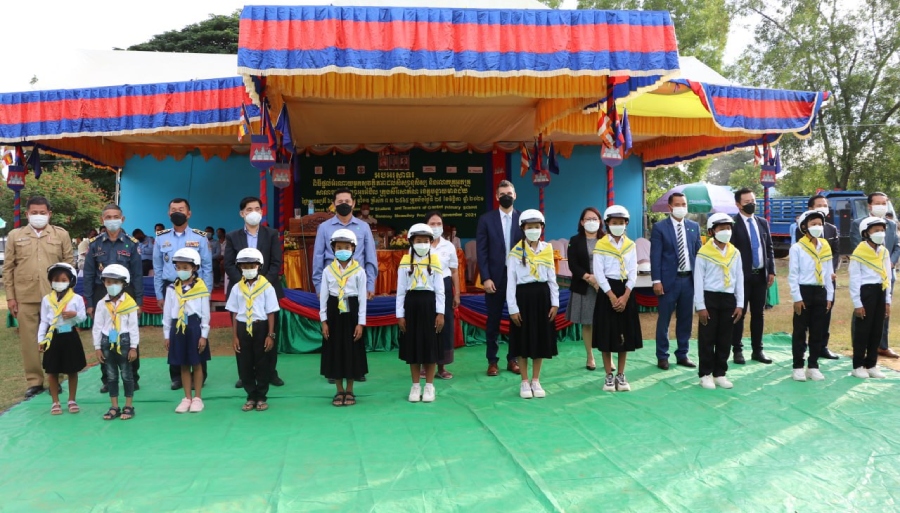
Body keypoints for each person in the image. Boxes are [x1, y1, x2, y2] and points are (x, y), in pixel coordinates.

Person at [3, 196, 74, 399]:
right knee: (29, 340)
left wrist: (67, 295)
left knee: (56, 338)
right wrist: (10, 298)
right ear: (27, 214)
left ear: (49, 214)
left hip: (54, 297)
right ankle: (34, 381)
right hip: (25, 296)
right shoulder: (16, 235)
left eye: (42, 212)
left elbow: (69, 266)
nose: (38, 216)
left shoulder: (61, 234)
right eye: (34, 212)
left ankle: (55, 378)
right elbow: (8, 269)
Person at [225, 197, 285, 388]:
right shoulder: (233, 236)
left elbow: (276, 262)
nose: (253, 212)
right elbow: (228, 264)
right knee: (243, 336)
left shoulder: (272, 234)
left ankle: (270, 372)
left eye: (257, 208)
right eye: (249, 209)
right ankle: (245, 375)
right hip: (240, 292)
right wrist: (243, 285)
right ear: (242, 213)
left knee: (269, 333)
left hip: (268, 290)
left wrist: (261, 285)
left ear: (262, 212)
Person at [83, 203, 143, 393]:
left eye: (115, 216)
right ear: (102, 220)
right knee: (105, 336)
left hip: (127, 294)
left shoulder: (131, 244)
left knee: (127, 333)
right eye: (108, 217)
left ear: (122, 219)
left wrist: (139, 302)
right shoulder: (95, 244)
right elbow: (89, 275)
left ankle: (132, 376)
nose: (112, 220)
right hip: (103, 294)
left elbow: (138, 275)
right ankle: (108, 378)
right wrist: (90, 303)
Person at [153, 198, 212, 390]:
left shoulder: (200, 237)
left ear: (189, 213)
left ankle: (199, 372)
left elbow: (207, 267)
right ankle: (177, 375)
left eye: (181, 209)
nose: (177, 212)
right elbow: (158, 268)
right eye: (173, 209)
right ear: (168, 214)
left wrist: (206, 293)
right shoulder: (160, 238)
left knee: (195, 327)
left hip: (196, 288)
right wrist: (159, 295)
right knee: (174, 330)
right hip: (171, 288)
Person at [508, 210, 559, 399]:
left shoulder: (547, 249)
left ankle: (536, 380)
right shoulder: (516, 252)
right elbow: (511, 281)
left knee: (539, 339)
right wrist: (513, 308)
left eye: (536, 227)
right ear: (523, 228)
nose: (533, 230)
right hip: (523, 297)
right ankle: (524, 380)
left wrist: (554, 303)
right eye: (529, 227)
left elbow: (552, 278)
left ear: (542, 228)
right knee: (523, 339)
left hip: (542, 297)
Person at [475, 180, 523, 376]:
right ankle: (492, 361)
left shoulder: (523, 219)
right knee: (493, 321)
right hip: (494, 279)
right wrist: (485, 278)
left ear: (515, 195)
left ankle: (513, 359)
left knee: (517, 320)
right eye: (502, 193)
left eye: (509, 193)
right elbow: (482, 251)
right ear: (496, 197)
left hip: (518, 278)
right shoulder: (486, 220)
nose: (506, 196)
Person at [592, 205, 642, 392]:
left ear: (626, 224)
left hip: (626, 291)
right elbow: (599, 273)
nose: (618, 226)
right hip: (608, 293)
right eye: (614, 223)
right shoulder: (601, 245)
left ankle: (621, 374)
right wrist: (612, 297)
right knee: (607, 334)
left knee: (625, 334)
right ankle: (608, 375)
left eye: (621, 223)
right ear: (607, 224)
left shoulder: (631, 245)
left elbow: (633, 272)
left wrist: (626, 295)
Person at [650, 192, 701, 370]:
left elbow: (698, 254)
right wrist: (656, 280)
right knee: (664, 319)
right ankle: (662, 356)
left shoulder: (694, 226)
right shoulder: (660, 227)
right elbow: (655, 256)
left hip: (689, 280)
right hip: (667, 281)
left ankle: (682, 354)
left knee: (685, 319)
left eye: (684, 204)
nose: (681, 207)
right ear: (670, 207)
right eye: (678, 204)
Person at [694, 214, 744, 390]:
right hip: (710, 298)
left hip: (729, 298)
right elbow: (699, 280)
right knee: (707, 337)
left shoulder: (734, 252)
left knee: (725, 337)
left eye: (728, 228)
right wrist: (700, 306)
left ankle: (720, 373)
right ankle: (705, 374)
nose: (726, 231)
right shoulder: (704, 253)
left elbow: (739, 277)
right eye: (721, 228)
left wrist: (740, 303)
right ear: (711, 231)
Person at [396, 224, 446, 403]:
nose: (422, 244)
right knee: (414, 347)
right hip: (411, 306)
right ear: (411, 241)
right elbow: (401, 291)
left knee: (429, 346)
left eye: (426, 241)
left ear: (431, 242)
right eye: (418, 241)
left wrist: (440, 313)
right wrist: (400, 315)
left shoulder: (436, 261)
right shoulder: (404, 261)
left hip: (429, 305)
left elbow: (440, 290)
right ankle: (415, 385)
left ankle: (430, 386)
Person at [227, 248, 280, 412]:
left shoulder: (267, 287)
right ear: (240, 268)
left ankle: (262, 396)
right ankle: (250, 395)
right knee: (245, 363)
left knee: (262, 362)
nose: (248, 269)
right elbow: (235, 312)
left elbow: (271, 312)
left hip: (261, 326)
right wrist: (235, 336)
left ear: (259, 266)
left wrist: (270, 335)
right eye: (244, 266)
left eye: (252, 265)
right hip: (243, 327)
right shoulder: (236, 288)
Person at [319, 229, 368, 406]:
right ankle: (339, 390)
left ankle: (350, 390)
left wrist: (361, 323)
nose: (342, 250)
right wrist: (324, 321)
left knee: (351, 351)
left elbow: (362, 299)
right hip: (334, 313)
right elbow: (323, 297)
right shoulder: (328, 271)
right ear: (333, 248)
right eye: (339, 247)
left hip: (352, 312)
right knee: (335, 350)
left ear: (353, 248)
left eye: (346, 247)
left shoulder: (359, 271)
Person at [849, 192, 900, 359]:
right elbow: (858, 247)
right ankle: (859, 347)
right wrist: (877, 263)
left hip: (886, 276)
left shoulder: (891, 225)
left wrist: (890, 262)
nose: (881, 206)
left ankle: (882, 346)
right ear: (869, 206)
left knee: (884, 310)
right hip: (867, 278)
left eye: (884, 203)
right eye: (877, 203)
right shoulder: (859, 224)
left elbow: (897, 247)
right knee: (862, 311)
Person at [731, 188, 776, 365]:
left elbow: (769, 248)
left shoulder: (762, 222)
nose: (751, 204)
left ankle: (758, 350)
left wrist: (771, 270)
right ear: (738, 204)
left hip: (760, 277)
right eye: (747, 202)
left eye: (753, 201)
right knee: (738, 314)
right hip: (741, 277)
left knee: (759, 314)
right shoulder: (732, 224)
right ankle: (737, 350)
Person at [788, 210, 834, 382]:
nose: (817, 227)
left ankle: (813, 365)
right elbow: (793, 274)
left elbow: (829, 272)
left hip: (820, 291)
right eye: (813, 224)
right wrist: (797, 298)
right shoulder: (797, 248)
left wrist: (829, 296)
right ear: (804, 227)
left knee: (817, 331)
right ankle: (798, 366)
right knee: (800, 331)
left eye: (820, 224)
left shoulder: (825, 246)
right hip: (804, 291)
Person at [163, 248, 211, 413]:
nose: (181, 271)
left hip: (194, 327)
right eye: (178, 267)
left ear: (194, 268)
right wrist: (166, 335)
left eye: (185, 267)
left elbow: (205, 313)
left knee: (196, 363)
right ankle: (187, 397)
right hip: (177, 328)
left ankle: (197, 397)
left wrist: (204, 335)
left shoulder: (201, 288)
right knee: (183, 364)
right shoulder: (171, 289)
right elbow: (168, 313)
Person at [793, 195, 840, 360]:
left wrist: (831, 270)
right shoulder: (801, 236)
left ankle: (820, 350)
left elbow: (835, 253)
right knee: (802, 324)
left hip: (825, 282)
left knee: (821, 320)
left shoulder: (832, 229)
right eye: (819, 205)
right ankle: (799, 357)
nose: (823, 207)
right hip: (807, 284)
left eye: (825, 205)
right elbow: (797, 268)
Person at [37, 263, 87, 415]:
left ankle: (72, 400)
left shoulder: (77, 298)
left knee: (72, 370)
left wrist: (74, 315)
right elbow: (44, 321)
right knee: (52, 371)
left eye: (63, 279)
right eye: (55, 280)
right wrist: (41, 339)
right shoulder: (47, 299)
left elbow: (83, 318)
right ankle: (55, 402)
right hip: (53, 337)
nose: (59, 283)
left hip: (70, 336)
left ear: (71, 280)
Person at [92, 264, 140, 420]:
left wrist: (134, 347)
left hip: (124, 341)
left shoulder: (130, 303)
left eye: (116, 282)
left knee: (127, 375)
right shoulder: (101, 303)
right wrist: (97, 347)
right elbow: (97, 326)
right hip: (107, 342)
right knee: (111, 376)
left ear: (124, 283)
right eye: (108, 282)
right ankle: (114, 406)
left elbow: (133, 327)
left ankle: (129, 406)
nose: (111, 286)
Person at [849, 217, 892, 379]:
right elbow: (854, 280)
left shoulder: (884, 252)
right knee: (862, 330)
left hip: (880, 292)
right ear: (866, 233)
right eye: (876, 230)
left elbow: (886, 276)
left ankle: (871, 364)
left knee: (876, 330)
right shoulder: (859, 253)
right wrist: (857, 303)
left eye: (882, 230)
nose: (880, 233)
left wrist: (887, 301)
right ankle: (858, 365)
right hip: (865, 292)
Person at [566, 207, 604, 371]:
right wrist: (590, 278)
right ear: (582, 222)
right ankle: (590, 356)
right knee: (587, 323)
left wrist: (600, 281)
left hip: (604, 287)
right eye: (588, 219)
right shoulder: (575, 240)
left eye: (594, 219)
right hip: (584, 286)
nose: (591, 222)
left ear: (600, 221)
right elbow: (572, 264)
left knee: (604, 322)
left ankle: (607, 356)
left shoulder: (607, 239)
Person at [425, 211, 460, 379]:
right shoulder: (419, 244)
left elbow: (454, 272)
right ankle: (426, 365)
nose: (436, 227)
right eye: (432, 224)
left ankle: (442, 366)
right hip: (425, 288)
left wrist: (457, 294)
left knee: (443, 326)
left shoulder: (449, 246)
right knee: (426, 326)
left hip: (445, 288)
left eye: (439, 224)